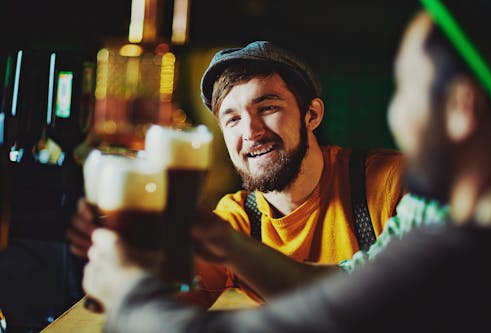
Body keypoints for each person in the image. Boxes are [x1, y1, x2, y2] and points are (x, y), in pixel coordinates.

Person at [82, 2, 491, 332]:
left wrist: (128, 294)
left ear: (462, 107)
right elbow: (344, 290)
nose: (251, 131)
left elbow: (330, 318)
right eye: (231, 119)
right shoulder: (434, 211)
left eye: (406, 90)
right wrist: (224, 247)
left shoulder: (448, 238)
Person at [68, 39, 408, 307]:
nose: (252, 131)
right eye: (232, 119)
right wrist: (128, 253)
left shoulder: (390, 182)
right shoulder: (235, 220)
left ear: (312, 115)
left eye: (268, 107)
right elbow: (167, 302)